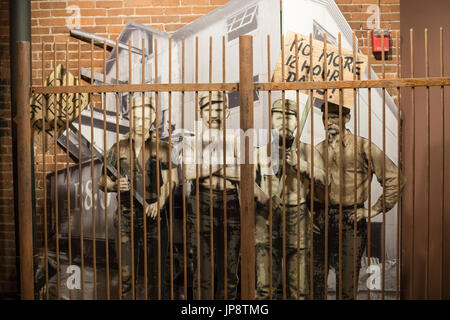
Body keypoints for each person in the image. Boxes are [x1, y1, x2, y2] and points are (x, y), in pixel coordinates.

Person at [313, 101, 406, 300]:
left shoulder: (364, 146)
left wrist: (373, 210)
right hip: (320, 219)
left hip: (350, 219)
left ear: (347, 118)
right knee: (315, 283)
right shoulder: (317, 150)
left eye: (334, 116)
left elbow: (395, 178)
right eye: (325, 118)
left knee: (346, 285)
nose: (329, 121)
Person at [98, 96, 178, 300]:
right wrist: (114, 185)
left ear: (153, 118)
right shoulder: (117, 148)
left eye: (145, 118)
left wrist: (160, 202)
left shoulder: (165, 148)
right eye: (136, 118)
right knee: (126, 277)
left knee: (156, 277)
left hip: (155, 219)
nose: (141, 123)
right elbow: (102, 181)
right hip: (125, 219)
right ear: (129, 118)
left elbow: (172, 181)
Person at [254, 98, 326, 299]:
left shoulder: (308, 151)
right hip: (266, 218)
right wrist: (264, 198)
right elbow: (248, 185)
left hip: (298, 216)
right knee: (264, 288)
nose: (284, 123)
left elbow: (325, 180)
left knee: (300, 289)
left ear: (296, 122)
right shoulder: (260, 153)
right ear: (271, 121)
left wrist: (301, 165)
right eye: (278, 118)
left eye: (289, 118)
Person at [183, 91, 241, 300]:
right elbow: (189, 172)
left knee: (229, 271)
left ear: (226, 112)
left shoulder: (236, 140)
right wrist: (225, 162)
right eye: (208, 109)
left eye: (218, 109)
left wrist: (206, 166)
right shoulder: (191, 142)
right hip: (202, 203)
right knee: (202, 271)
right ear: (201, 113)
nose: (213, 114)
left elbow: (244, 174)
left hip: (232, 203)